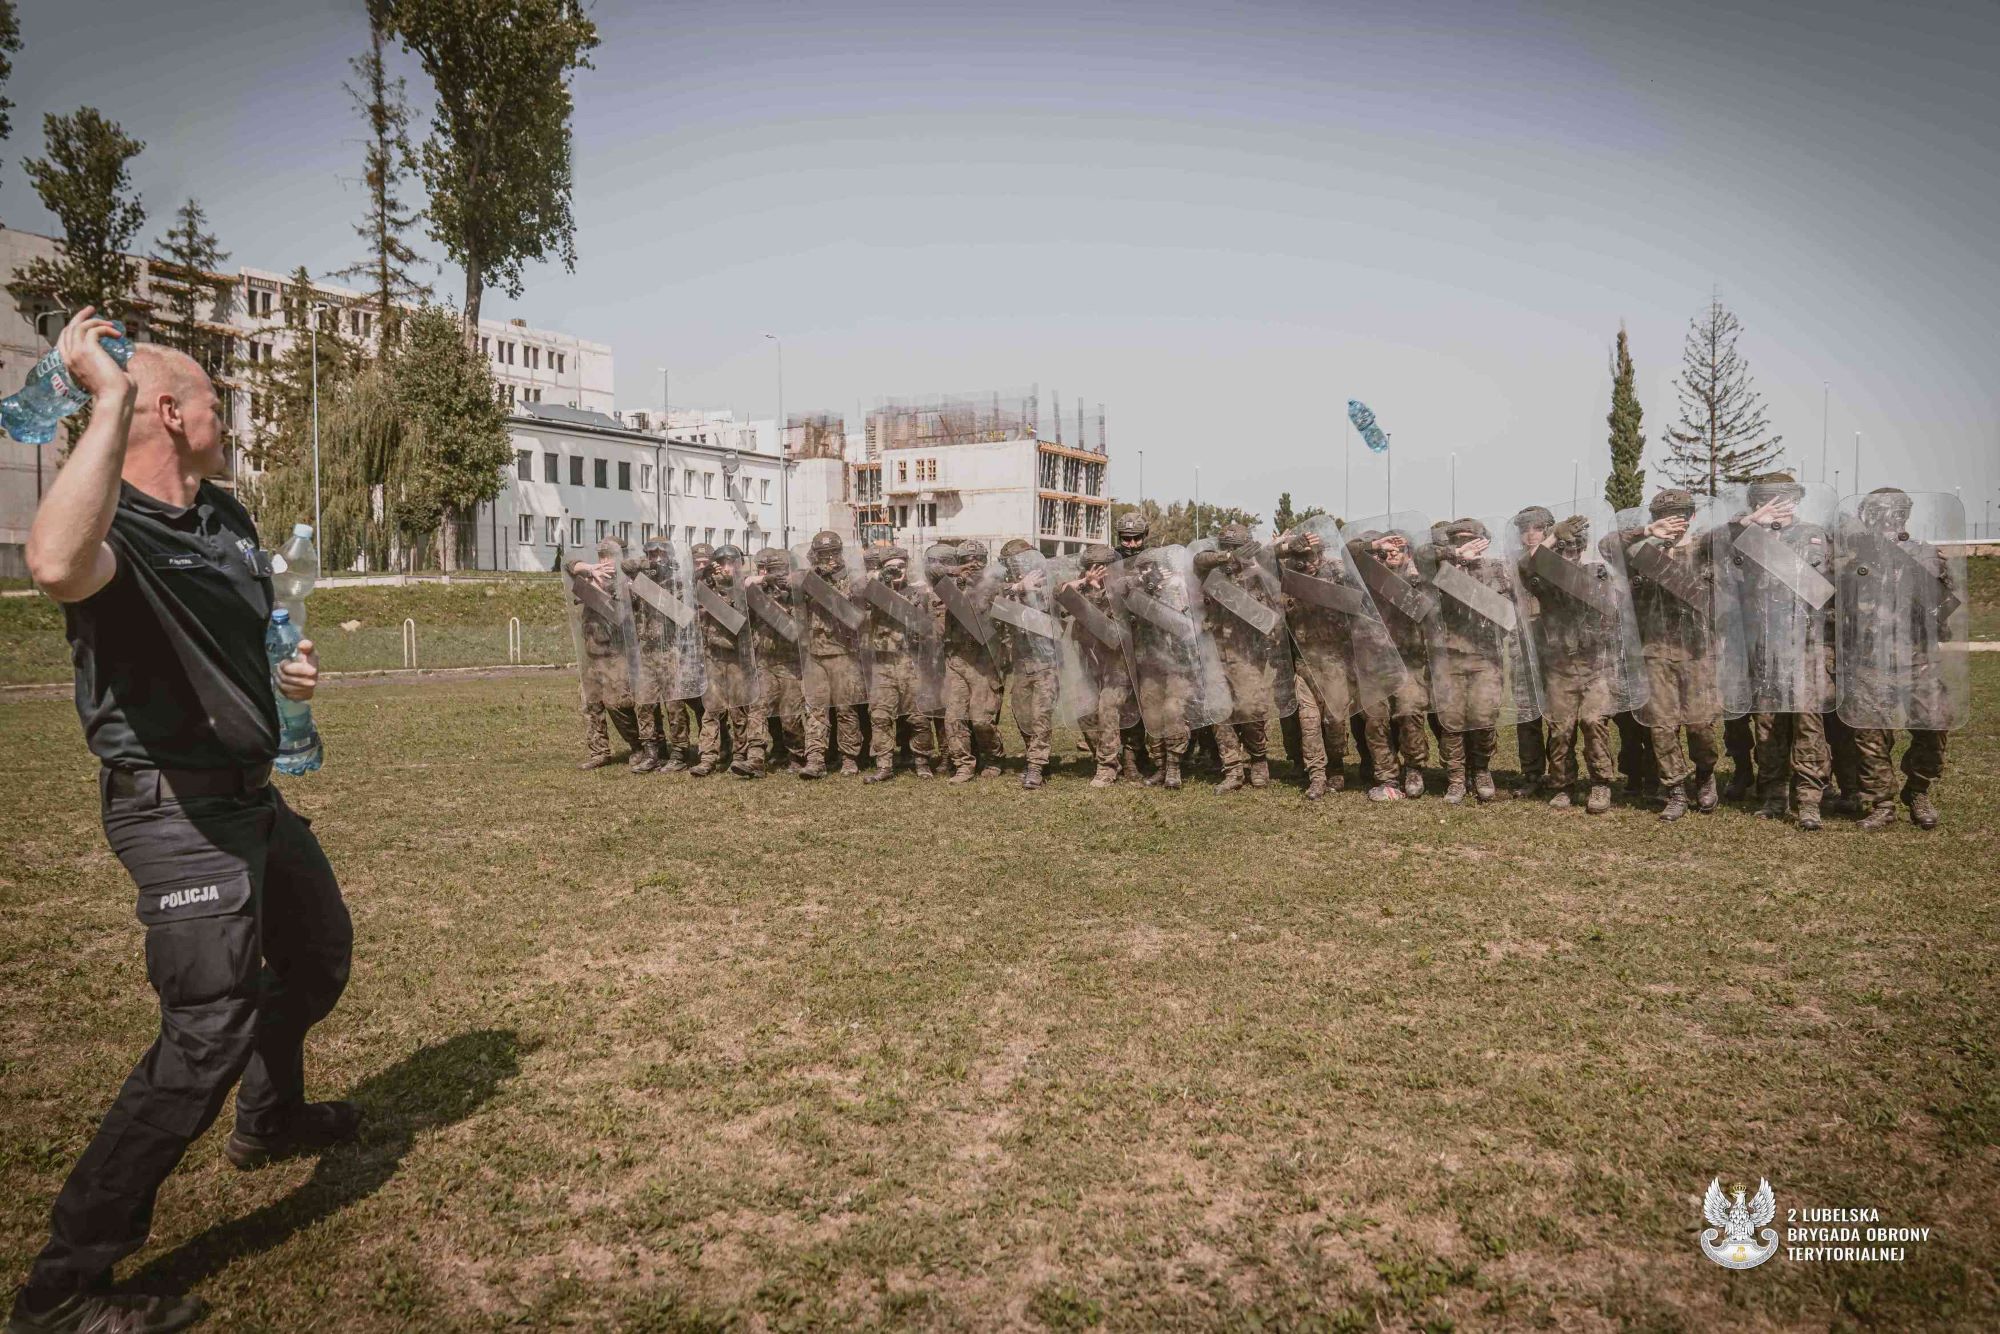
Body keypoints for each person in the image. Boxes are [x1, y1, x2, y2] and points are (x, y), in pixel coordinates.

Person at [11, 313, 355, 1334]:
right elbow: (53, 565)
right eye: (215, 399)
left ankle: (270, 1119)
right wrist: (104, 396)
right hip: (177, 808)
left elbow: (251, 628)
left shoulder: (225, 515)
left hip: (250, 794)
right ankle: (63, 1287)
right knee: (206, 1030)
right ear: (168, 410)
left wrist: (285, 670)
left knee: (317, 956)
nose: (227, 417)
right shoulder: (115, 526)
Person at [1611, 489, 1724, 822]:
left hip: (1698, 651)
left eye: (1679, 515)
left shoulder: (1704, 549)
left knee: (1700, 725)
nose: (1672, 522)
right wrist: (1647, 532)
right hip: (1656, 651)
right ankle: (1675, 790)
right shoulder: (1642, 553)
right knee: (1661, 725)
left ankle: (1705, 773)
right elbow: (1607, 546)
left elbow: (1735, 540)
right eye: (1663, 517)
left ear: (1691, 517)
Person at [1517, 515, 1622, 814]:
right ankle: (1562, 785)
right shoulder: (1547, 578)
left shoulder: (1598, 575)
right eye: (1564, 549)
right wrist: (1552, 537)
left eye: (1576, 548)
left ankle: (1600, 783)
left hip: (1595, 665)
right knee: (1560, 728)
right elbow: (1525, 567)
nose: (1571, 553)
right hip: (1560, 665)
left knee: (1593, 722)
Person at [560, 538, 646, 770]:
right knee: (591, 704)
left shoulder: (628, 583)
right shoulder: (590, 576)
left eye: (609, 555)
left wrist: (616, 583)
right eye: (601, 555)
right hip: (591, 653)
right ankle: (599, 752)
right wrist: (589, 570)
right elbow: (568, 564)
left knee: (618, 704)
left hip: (616, 655)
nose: (604, 560)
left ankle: (637, 746)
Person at [859, 546, 940, 782]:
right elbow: (856, 598)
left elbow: (927, 623)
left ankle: (922, 761)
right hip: (883, 664)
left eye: (901, 566)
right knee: (880, 716)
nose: (897, 571)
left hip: (911, 663)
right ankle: (884, 764)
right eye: (891, 567)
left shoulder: (918, 592)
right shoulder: (874, 590)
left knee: (919, 717)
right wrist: (877, 579)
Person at [994, 539, 1060, 789]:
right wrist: (1017, 588)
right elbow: (989, 601)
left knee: (1041, 715)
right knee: (1021, 714)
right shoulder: (1007, 589)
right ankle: (1038, 757)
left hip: (1046, 663)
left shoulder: (1048, 585)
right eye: (1012, 566)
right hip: (1022, 664)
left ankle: (1035, 767)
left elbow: (1062, 598)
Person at [939, 540, 1005, 782]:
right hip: (957, 661)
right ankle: (964, 765)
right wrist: (955, 573)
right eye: (967, 560)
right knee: (954, 717)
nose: (973, 564)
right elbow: (930, 571)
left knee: (981, 720)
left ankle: (994, 758)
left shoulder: (995, 587)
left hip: (984, 663)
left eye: (978, 560)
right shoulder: (950, 587)